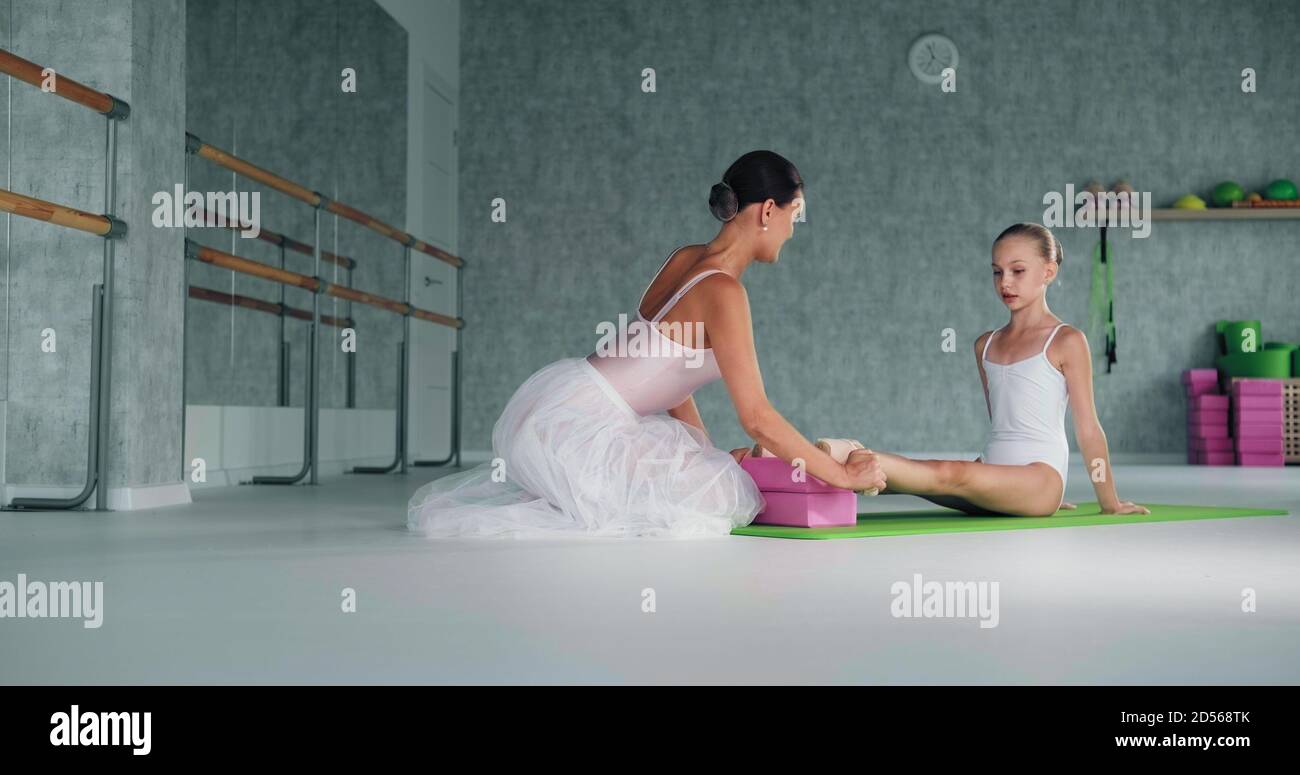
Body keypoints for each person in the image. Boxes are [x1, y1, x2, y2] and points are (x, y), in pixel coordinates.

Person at [407, 150, 887, 537]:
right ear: (767, 211)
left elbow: (672, 382)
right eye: (794, 215)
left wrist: (706, 456)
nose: (792, 230)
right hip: (576, 432)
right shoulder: (724, 292)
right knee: (723, 498)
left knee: (714, 472)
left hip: (555, 410)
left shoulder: (686, 259)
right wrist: (839, 475)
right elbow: (757, 417)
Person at [857, 223, 1149, 517]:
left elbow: (1088, 429)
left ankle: (854, 454)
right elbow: (1003, 422)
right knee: (908, 481)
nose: (1005, 282)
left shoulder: (1066, 340)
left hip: (1041, 479)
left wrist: (1109, 502)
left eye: (1017, 271)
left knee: (947, 472)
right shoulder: (985, 344)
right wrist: (1010, 489)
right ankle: (838, 459)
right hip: (993, 473)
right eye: (997, 272)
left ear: (1048, 272)